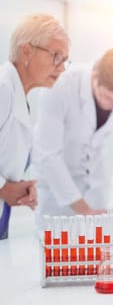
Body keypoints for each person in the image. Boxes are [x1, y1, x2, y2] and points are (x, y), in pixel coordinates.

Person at [32, 47, 113, 224]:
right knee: (55, 244)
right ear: (95, 78)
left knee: (96, 245)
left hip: (95, 184)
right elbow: (49, 155)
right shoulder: (60, 86)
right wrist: (84, 209)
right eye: (109, 98)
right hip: (56, 187)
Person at [0, 14, 69, 239]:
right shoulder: (3, 89)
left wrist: (19, 187)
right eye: (56, 56)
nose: (62, 68)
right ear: (26, 52)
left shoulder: (20, 96)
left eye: (65, 60)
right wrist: (4, 188)